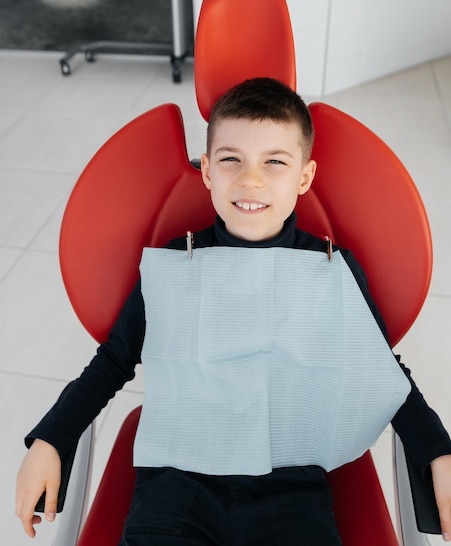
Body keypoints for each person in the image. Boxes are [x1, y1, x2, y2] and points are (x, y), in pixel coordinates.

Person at [15, 77, 451, 545]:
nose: (251, 180)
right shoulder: (175, 266)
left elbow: (383, 373)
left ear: (304, 176)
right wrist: (50, 439)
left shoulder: (331, 271)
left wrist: (437, 453)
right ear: (207, 171)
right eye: (231, 160)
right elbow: (113, 362)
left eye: (275, 162)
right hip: (178, 478)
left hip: (289, 481)